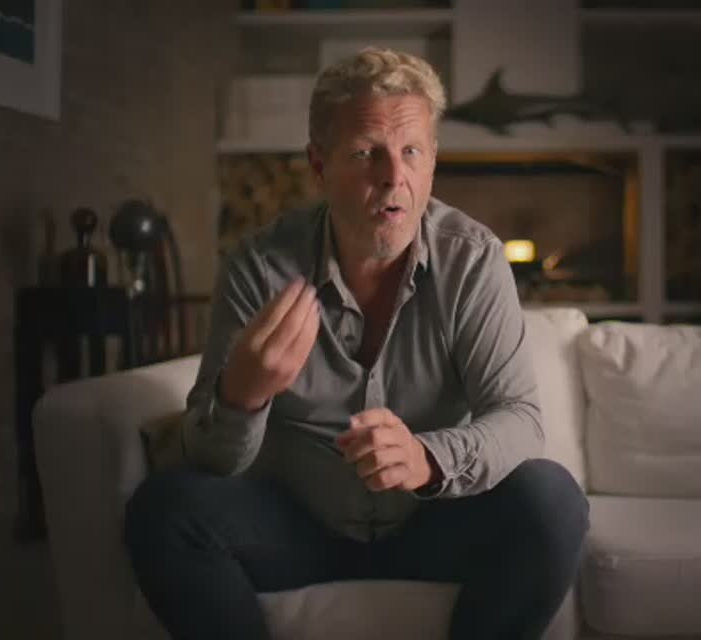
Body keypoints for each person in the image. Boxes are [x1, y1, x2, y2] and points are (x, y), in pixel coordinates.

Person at [123, 47, 589, 640]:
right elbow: (210, 461)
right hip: (295, 525)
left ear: (433, 160)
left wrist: (428, 459)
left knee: (552, 500)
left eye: (411, 151)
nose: (394, 177)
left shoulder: (473, 260)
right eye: (366, 153)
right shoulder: (259, 266)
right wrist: (241, 397)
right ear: (318, 165)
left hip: (434, 524)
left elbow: (519, 418)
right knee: (164, 509)